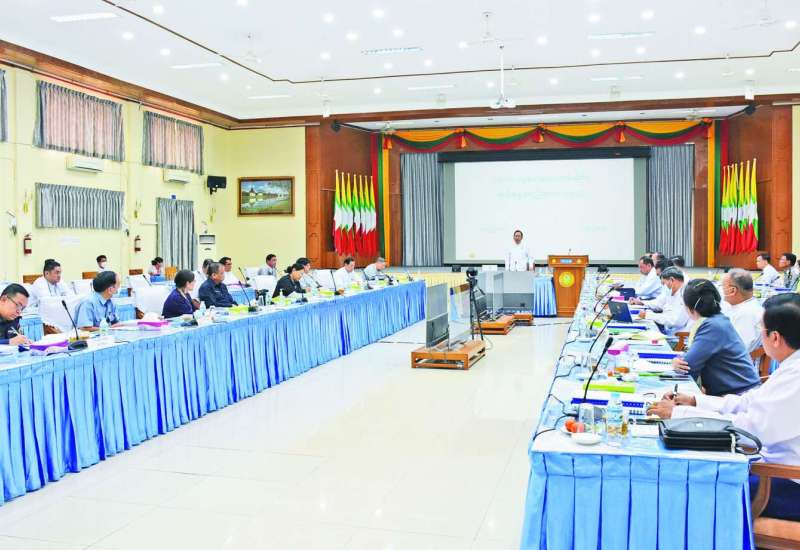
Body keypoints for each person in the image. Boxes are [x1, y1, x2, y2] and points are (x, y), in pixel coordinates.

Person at [648, 293, 800, 521]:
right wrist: (695, 401)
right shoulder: (792, 366)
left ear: (775, 337)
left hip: (782, 482)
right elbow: (747, 403)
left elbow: (749, 432)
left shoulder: (795, 376)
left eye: (762, 330)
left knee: (687, 481)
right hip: (773, 468)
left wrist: (680, 414)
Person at [669, 279, 760, 396]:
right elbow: (693, 358)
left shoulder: (711, 326)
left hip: (738, 396)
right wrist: (679, 361)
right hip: (734, 391)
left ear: (689, 308)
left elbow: (688, 367)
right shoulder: (718, 319)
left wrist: (677, 363)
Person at [721, 268, 764, 353]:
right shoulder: (747, 306)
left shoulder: (745, 314)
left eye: (722, 287)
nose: (721, 290)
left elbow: (737, 351)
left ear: (732, 290)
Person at [637, 267, 690, 336]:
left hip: (678, 336)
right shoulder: (673, 290)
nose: (664, 286)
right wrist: (642, 303)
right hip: (670, 330)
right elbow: (660, 303)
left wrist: (650, 315)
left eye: (664, 283)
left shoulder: (684, 295)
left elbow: (675, 321)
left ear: (672, 280)